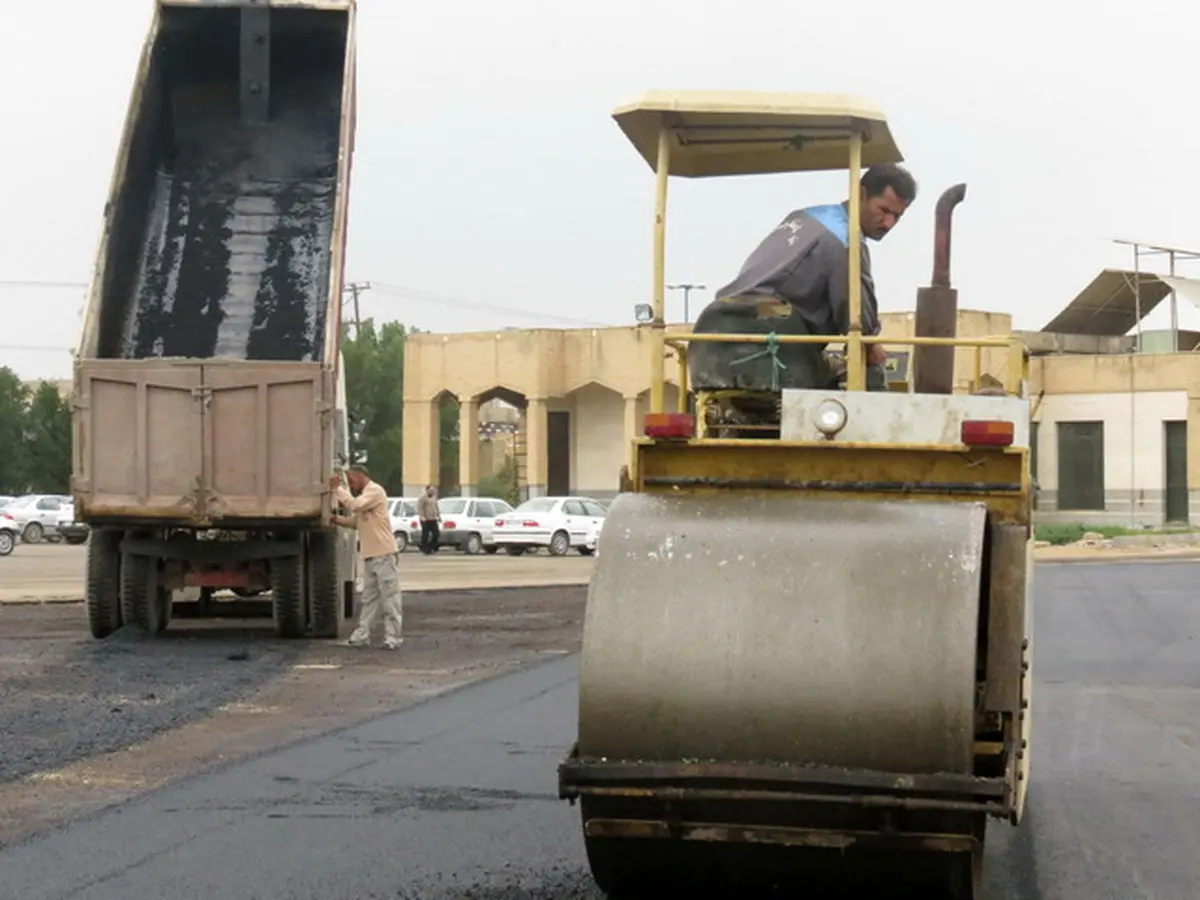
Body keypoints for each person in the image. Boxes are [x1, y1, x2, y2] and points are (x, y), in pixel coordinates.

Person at [688, 164, 918, 394]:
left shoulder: (803, 218)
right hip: (770, 340)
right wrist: (872, 344)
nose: (888, 223)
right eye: (884, 210)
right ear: (862, 194)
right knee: (867, 362)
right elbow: (856, 314)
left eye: (897, 216)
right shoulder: (847, 241)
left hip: (711, 337)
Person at [328, 466, 403, 650]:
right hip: (371, 554)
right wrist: (337, 520)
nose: (351, 484)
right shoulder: (366, 496)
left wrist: (337, 489)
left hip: (383, 553)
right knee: (370, 598)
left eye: (352, 480)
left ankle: (393, 638)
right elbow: (357, 521)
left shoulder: (374, 491)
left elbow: (354, 505)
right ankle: (362, 635)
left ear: (360, 476)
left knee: (389, 597)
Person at [417, 484, 440, 555]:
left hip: (433, 518)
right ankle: (424, 548)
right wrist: (422, 516)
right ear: (427, 490)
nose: (432, 491)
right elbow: (420, 507)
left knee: (436, 533)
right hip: (425, 519)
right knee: (425, 534)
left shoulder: (434, 497)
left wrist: (438, 515)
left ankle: (431, 547)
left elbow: (436, 507)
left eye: (433, 490)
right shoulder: (422, 498)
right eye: (431, 490)